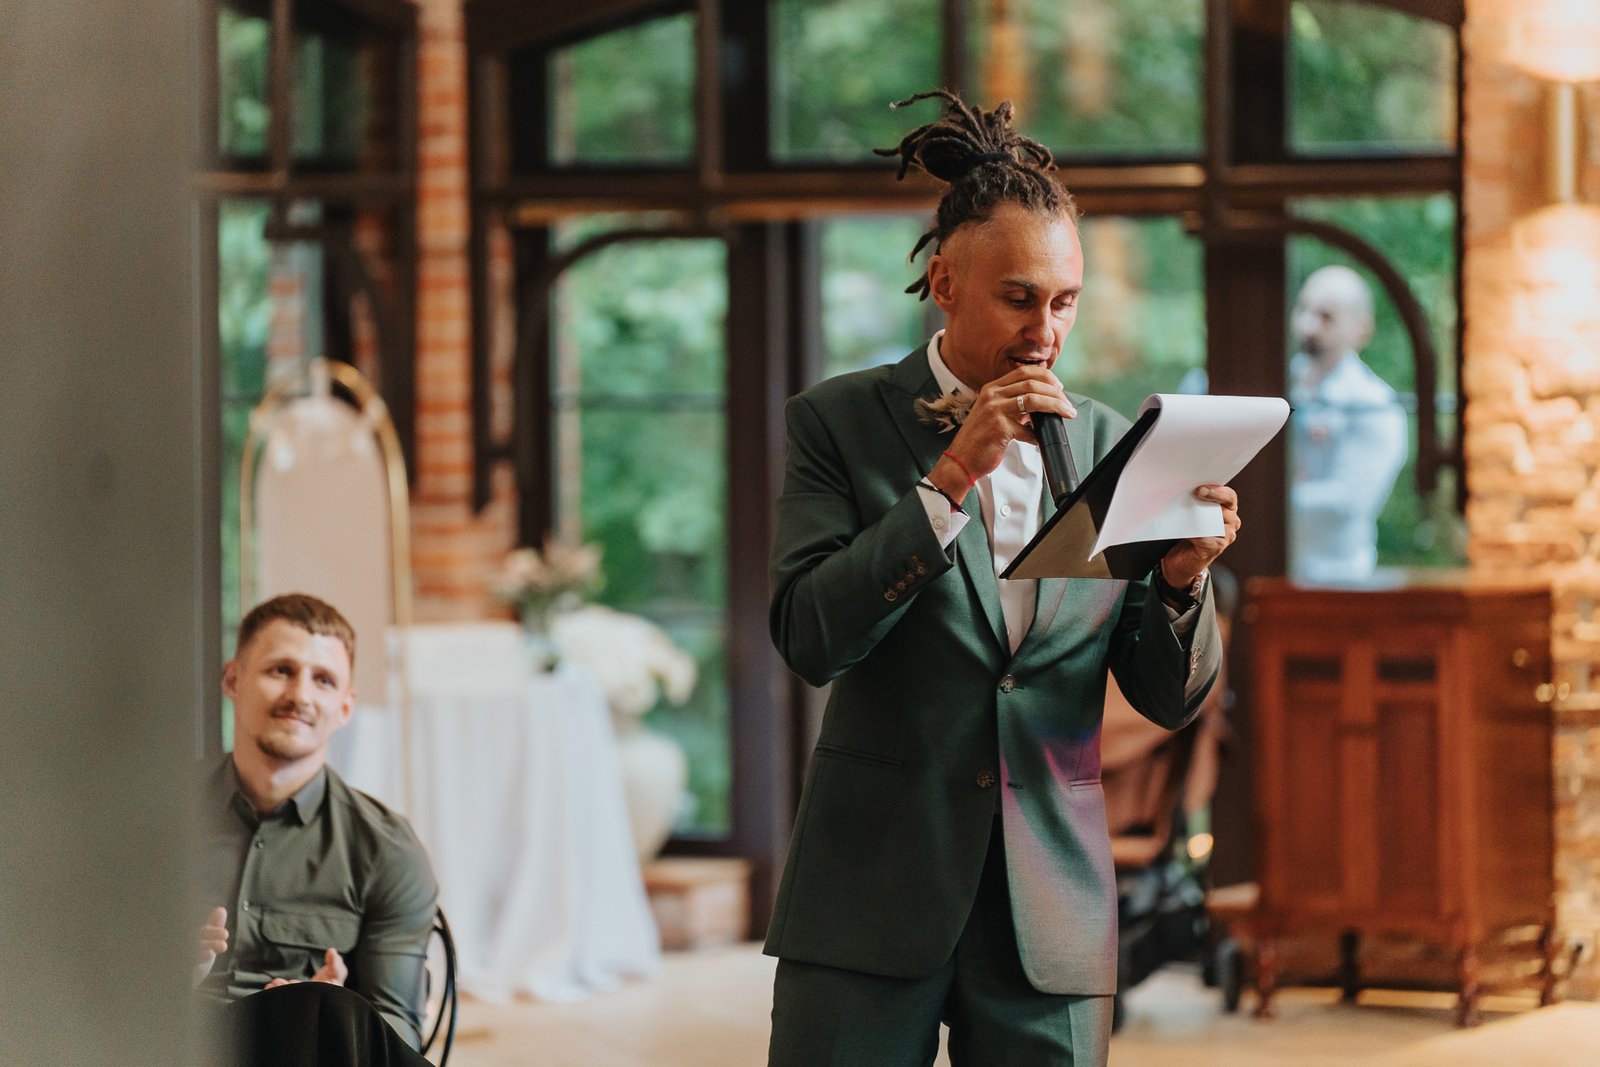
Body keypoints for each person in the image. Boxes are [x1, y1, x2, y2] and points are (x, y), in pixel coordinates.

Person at [764, 91, 1238, 1067]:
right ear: (944, 281)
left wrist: (1182, 585)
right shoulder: (836, 423)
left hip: (1050, 908)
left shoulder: (1113, 447)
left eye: (1064, 301)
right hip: (869, 891)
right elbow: (810, 636)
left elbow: (1167, 695)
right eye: (1019, 298)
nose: (1044, 331)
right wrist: (946, 482)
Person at [195, 593, 439, 1066]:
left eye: (323, 680)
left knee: (318, 1010)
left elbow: (398, 1033)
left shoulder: (386, 849)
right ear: (232, 679)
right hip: (171, 1046)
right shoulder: (149, 819)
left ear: (345, 707)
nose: (300, 696)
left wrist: (331, 1017)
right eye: (280, 670)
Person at [1288, 264, 1408, 584]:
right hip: (1261, 572)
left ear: (1361, 329)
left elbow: (1348, 501)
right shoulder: (1273, 387)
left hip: (1337, 581)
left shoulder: (1375, 403)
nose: (1308, 325)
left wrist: (1265, 495)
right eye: (1303, 309)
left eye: (1326, 317)